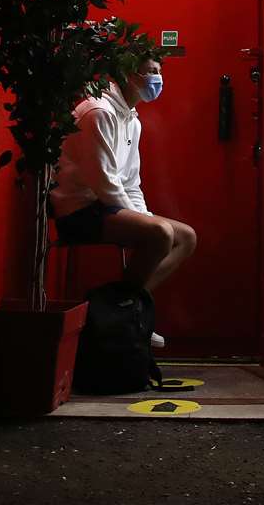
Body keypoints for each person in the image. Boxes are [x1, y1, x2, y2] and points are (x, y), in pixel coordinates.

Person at [50, 55, 196, 345]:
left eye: (160, 71)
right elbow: (106, 186)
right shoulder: (99, 112)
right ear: (130, 75)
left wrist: (143, 217)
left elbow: (131, 183)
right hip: (79, 210)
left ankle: (123, 309)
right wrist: (146, 225)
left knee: (186, 238)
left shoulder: (131, 120)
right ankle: (122, 314)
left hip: (106, 207)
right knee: (159, 233)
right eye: (151, 71)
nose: (159, 79)